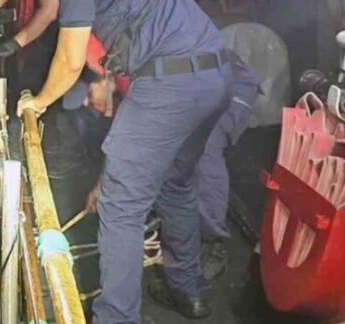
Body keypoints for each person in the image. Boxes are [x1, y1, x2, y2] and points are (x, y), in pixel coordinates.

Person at [16, 0, 233, 324]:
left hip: (169, 86)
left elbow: (70, 59)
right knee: (176, 183)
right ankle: (189, 289)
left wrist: (39, 102)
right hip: (216, 75)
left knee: (119, 207)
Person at [71, 50, 261, 280]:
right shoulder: (123, 81)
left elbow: (131, 139)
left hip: (229, 84)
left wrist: (103, 187)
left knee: (205, 150)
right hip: (190, 87)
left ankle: (213, 242)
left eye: (88, 94)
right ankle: (181, 230)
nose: (86, 102)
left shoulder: (139, 80)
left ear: (103, 78)